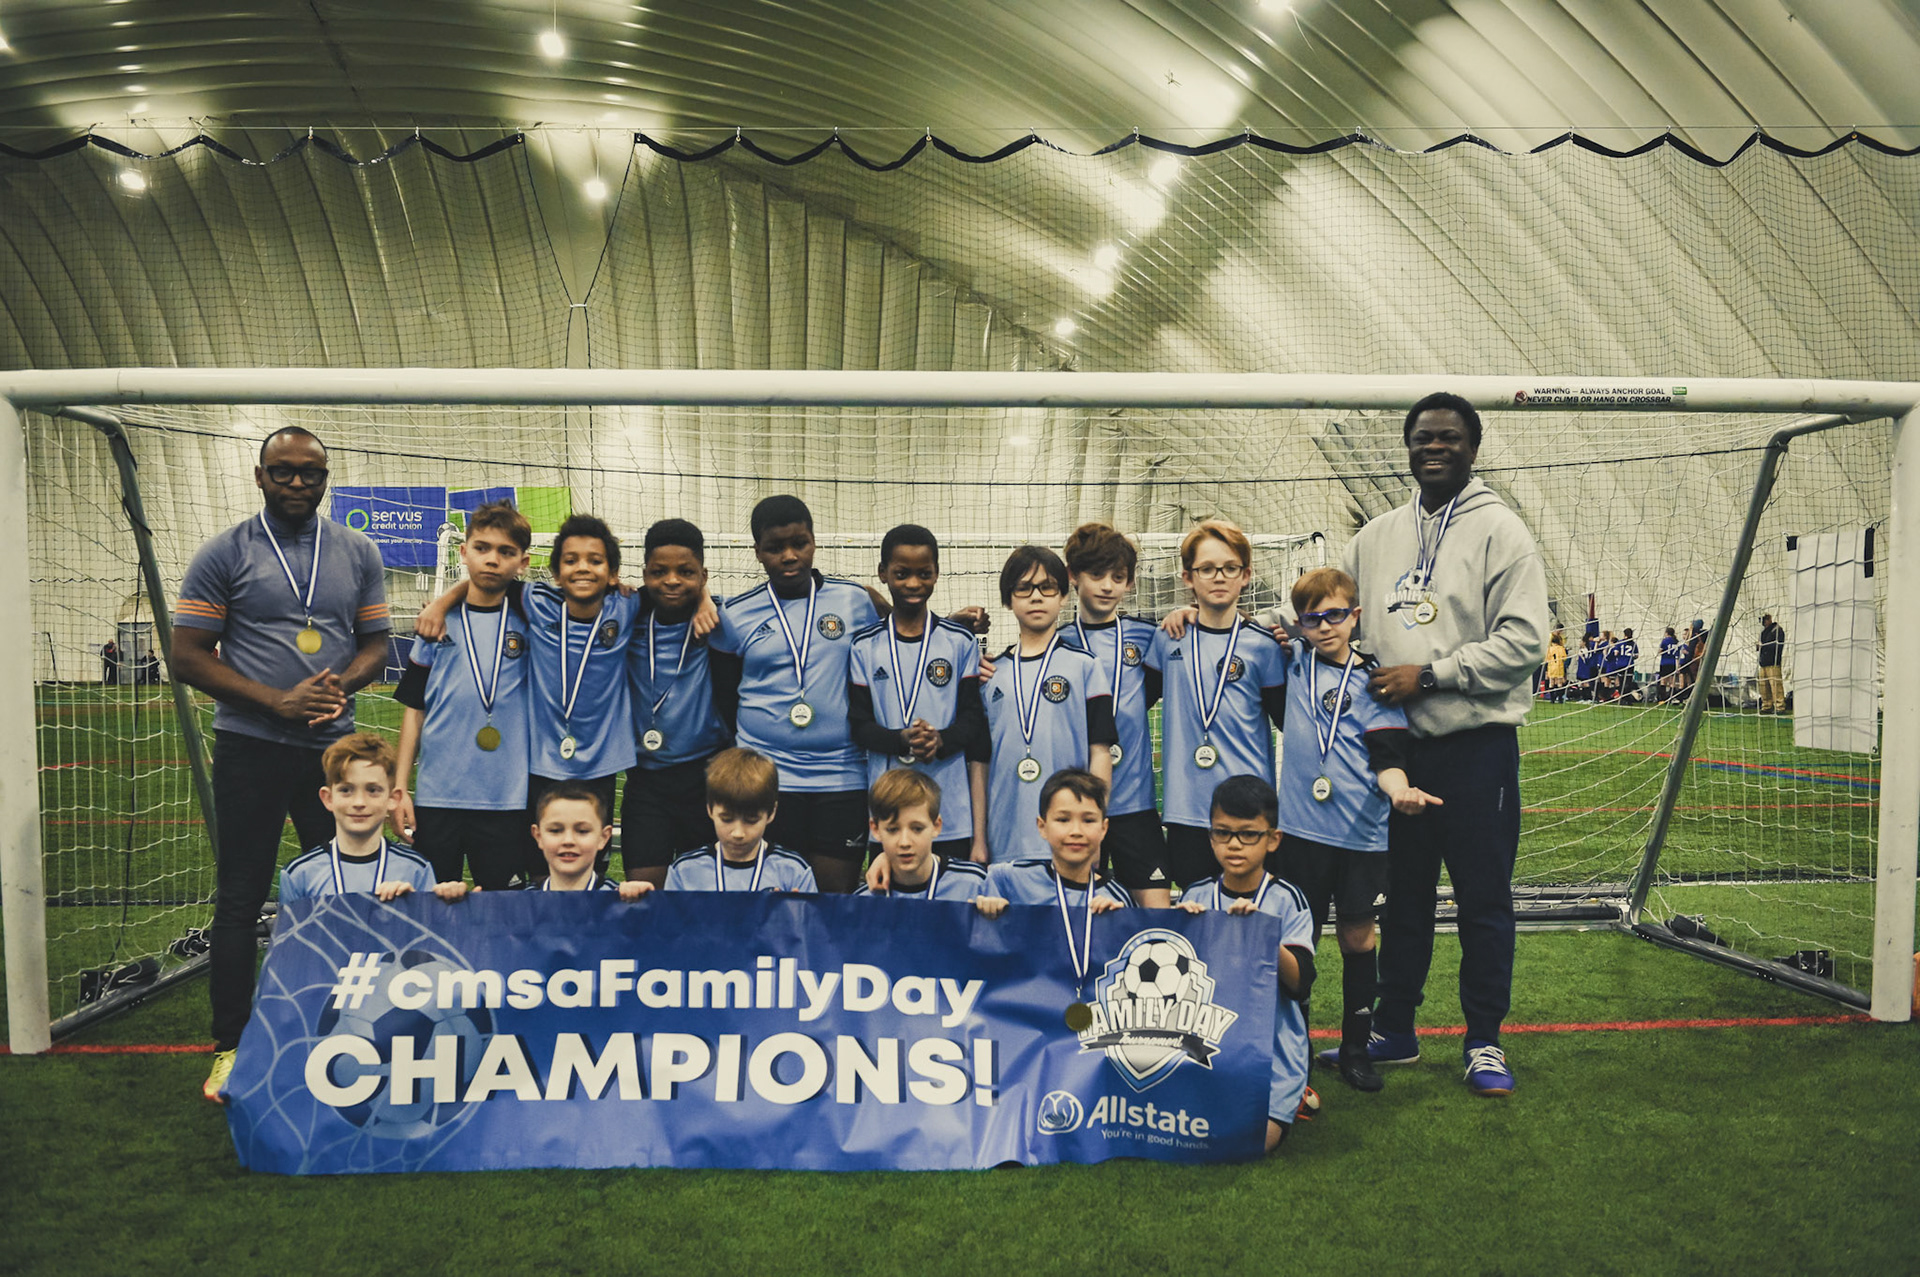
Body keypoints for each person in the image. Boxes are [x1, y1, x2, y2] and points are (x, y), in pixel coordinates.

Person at [172, 426, 391, 1103]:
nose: (298, 482)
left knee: (348, 892)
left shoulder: (357, 550)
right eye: (284, 471)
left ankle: (354, 1034)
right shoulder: (225, 552)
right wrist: (277, 700)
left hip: (334, 753)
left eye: (310, 473)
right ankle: (231, 1047)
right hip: (251, 745)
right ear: (260, 475)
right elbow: (187, 654)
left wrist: (338, 686)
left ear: (326, 478)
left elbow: (376, 644)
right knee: (241, 898)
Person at [1340, 391, 1548, 1098]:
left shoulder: (1502, 532)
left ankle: (1484, 1039)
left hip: (1476, 748)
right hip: (1398, 753)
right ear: (1407, 448)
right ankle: (1394, 1027)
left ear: (1473, 448)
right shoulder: (1375, 537)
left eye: (1449, 438)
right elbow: (1328, 610)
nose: (1434, 447)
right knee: (1403, 898)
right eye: (1422, 437)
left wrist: (1430, 674)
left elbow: (1525, 641)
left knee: (1484, 899)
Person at [1274, 567, 1437, 1094]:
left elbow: (1388, 759)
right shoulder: (1290, 662)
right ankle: (1291, 1051)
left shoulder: (1373, 681)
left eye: (1335, 615)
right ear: (1300, 623)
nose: (1325, 626)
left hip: (1361, 836)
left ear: (1355, 617)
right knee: (1296, 942)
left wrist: (1400, 791)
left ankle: (1355, 1050)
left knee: (1357, 938)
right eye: (1313, 619)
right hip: (1299, 833)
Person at [416, 513, 643, 876]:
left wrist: (707, 603)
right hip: (540, 764)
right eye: (571, 560)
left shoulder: (630, 606)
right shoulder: (535, 601)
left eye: (595, 561)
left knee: (588, 870)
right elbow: (485, 581)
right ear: (556, 574)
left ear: (613, 573)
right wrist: (441, 604)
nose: (583, 568)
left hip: (600, 765)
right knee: (540, 871)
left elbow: (680, 593)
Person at [709, 495, 880, 893]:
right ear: (758, 552)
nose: (789, 556)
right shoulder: (736, 614)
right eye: (775, 547)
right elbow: (724, 693)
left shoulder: (854, 601)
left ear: (814, 542)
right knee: (773, 899)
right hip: (767, 779)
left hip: (841, 776)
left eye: (799, 543)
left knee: (833, 899)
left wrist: (957, 631)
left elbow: (898, 639)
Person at [393, 500, 533, 890]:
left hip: (507, 798)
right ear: (463, 551)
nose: (492, 560)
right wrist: (400, 787)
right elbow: (414, 709)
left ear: (523, 562)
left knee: (504, 908)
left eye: (505, 552)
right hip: (438, 797)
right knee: (432, 907)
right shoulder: (434, 623)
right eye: (482, 548)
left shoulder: (531, 620)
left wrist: (445, 597)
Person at [1146, 520, 1288, 888]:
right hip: (1187, 810)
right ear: (1188, 578)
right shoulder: (1168, 638)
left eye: (1230, 568)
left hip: (1249, 809)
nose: (1219, 576)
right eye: (1207, 568)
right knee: (1195, 909)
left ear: (1246, 575)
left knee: (1248, 911)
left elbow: (1290, 721)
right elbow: (1131, 707)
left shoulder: (1264, 646)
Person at [1177, 775, 1315, 1153]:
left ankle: (1294, 1093)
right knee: (1177, 1134)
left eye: (1249, 834)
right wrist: (1180, 932)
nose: (1234, 844)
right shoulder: (1196, 895)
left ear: (1273, 839)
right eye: (1223, 833)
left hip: (1271, 1051)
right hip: (1208, 1044)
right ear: (1210, 837)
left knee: (1252, 1144)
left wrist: (1262, 936)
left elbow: (1301, 982)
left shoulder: (1287, 899)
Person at [848, 525, 990, 865]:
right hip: (889, 813)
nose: (913, 584)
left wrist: (940, 740)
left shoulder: (960, 642)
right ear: (883, 573)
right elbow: (859, 725)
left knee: (951, 893)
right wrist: (900, 740)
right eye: (902, 574)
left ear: (936, 573)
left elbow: (972, 718)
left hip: (949, 813)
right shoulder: (864, 646)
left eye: (924, 574)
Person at [980, 546, 1116, 863]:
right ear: (1008, 599)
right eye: (1024, 588)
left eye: (1047, 587)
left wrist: (1094, 831)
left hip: (1070, 839)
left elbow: (1100, 753)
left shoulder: (1086, 666)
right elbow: (980, 763)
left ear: (1064, 596)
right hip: (1005, 834)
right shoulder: (990, 675)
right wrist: (979, 838)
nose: (1036, 597)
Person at [1064, 522, 1171, 906]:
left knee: (1156, 915)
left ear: (1130, 582)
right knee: (1079, 913)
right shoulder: (1059, 644)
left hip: (1135, 804)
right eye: (1097, 575)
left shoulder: (1148, 636)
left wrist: (1188, 615)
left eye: (1118, 577)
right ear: (1073, 576)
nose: (1108, 586)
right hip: (1077, 807)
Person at [624, 519, 732, 888]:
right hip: (645, 780)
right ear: (644, 575)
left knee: (702, 891)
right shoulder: (626, 617)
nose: (672, 581)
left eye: (685, 572)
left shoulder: (717, 620)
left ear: (703, 575)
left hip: (705, 776)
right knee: (644, 890)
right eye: (659, 572)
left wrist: (705, 599)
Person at [276, 732, 445, 905]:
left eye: (372, 790)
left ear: (393, 799)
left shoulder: (416, 870)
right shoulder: (299, 874)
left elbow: (429, 921)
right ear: (328, 798)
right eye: (346, 790)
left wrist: (414, 904)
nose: (359, 802)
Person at [973, 768, 1132, 915]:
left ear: (1103, 828)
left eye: (1088, 820)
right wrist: (987, 911)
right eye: (1063, 820)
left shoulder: (1115, 898)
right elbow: (977, 931)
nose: (1076, 831)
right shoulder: (1007, 880)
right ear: (1042, 827)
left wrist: (1115, 922)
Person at [663, 747, 818, 892]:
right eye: (726, 819)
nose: (738, 833)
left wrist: (793, 910)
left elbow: (810, 914)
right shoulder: (684, 871)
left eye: (751, 820)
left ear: (771, 812)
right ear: (710, 809)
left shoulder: (794, 871)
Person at [853, 769, 990, 901]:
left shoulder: (974, 885)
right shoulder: (864, 900)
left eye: (917, 829)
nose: (905, 842)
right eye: (893, 830)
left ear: (936, 826)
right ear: (875, 829)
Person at [527, 783, 651, 896]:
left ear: (603, 837)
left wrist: (641, 901)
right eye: (555, 830)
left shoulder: (618, 899)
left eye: (582, 831)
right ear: (538, 836)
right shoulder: (523, 903)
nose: (568, 840)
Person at [1757, 612, 1787, 713]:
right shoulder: (1763, 632)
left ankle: (1780, 706)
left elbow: (1778, 645)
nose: (1763, 622)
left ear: (1769, 619)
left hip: (1773, 663)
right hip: (1763, 663)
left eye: (1765, 620)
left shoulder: (1777, 630)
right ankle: (1766, 706)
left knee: (1776, 686)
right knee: (1764, 687)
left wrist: (1763, 646)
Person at [1617, 628, 1640, 703]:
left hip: (1620, 664)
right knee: (1628, 682)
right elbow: (1636, 656)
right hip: (1629, 664)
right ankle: (1627, 699)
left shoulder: (1620, 642)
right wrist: (1631, 657)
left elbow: (1616, 653)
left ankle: (1622, 698)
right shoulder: (1633, 644)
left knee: (1621, 682)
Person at [1657, 626, 1679, 703]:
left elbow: (1660, 651)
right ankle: (1671, 698)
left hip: (1664, 662)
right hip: (1672, 663)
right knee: (1672, 681)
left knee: (1663, 681)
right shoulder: (1676, 641)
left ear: (1666, 633)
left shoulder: (1664, 641)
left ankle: (1662, 698)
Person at [1543, 629, 1566, 703]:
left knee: (1551, 682)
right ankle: (1560, 699)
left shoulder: (1549, 649)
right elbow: (1564, 658)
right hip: (1559, 667)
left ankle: (1552, 699)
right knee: (1559, 683)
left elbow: (1546, 659)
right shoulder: (1561, 648)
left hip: (1551, 667)